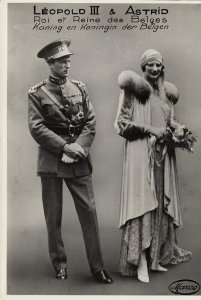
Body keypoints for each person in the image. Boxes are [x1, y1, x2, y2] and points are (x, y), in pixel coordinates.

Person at [28, 39, 113, 284]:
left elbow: (90, 121)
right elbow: (36, 127)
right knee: (53, 217)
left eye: (68, 59)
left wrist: (78, 148)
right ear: (50, 63)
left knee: (90, 212)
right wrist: (64, 146)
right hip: (52, 160)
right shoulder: (36, 93)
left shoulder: (80, 88)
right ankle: (60, 264)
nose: (67, 64)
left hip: (78, 158)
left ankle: (97, 267)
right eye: (62, 61)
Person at [114, 49, 192, 283]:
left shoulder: (166, 95)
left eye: (158, 65)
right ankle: (139, 262)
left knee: (159, 202)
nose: (155, 70)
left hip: (162, 157)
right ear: (143, 68)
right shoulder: (132, 91)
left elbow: (168, 122)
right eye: (150, 65)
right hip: (140, 155)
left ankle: (155, 257)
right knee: (143, 205)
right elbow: (121, 125)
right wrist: (150, 130)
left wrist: (178, 132)